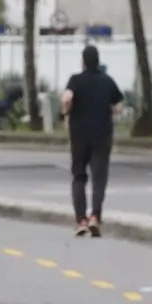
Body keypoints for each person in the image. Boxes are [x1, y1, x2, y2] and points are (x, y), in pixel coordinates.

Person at [62, 44, 124, 237]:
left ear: (83, 62)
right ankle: (95, 216)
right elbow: (119, 105)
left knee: (79, 176)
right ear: (98, 61)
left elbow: (66, 98)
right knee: (99, 178)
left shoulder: (75, 80)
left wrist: (66, 113)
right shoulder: (107, 81)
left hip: (79, 135)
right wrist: (108, 109)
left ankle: (81, 220)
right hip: (102, 135)